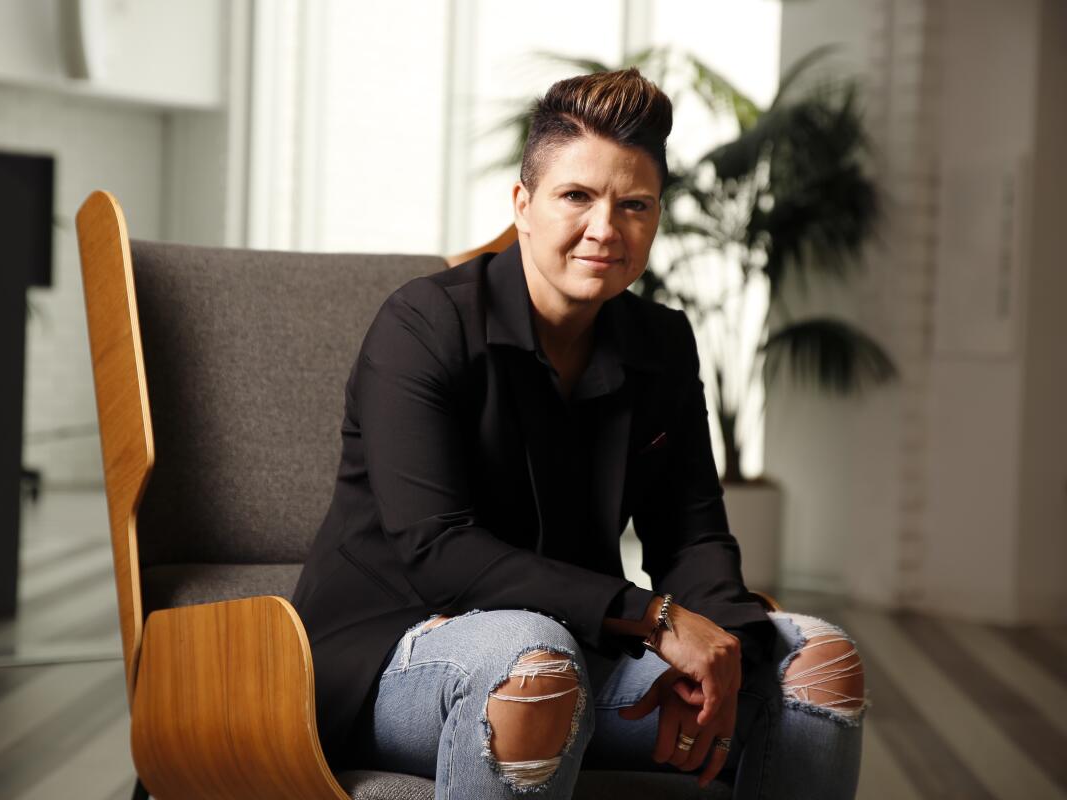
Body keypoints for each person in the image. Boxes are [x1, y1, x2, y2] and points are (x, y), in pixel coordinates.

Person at [291, 67, 867, 799]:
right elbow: (437, 551)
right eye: (577, 197)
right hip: (388, 651)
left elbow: (690, 536)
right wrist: (653, 618)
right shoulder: (422, 324)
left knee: (818, 665)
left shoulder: (660, 343)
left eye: (635, 205)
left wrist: (727, 648)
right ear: (523, 205)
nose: (606, 228)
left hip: (575, 640)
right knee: (535, 665)